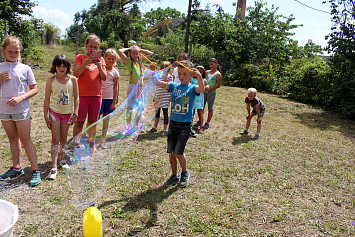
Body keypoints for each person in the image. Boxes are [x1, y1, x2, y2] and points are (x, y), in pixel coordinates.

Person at [0, 36, 41, 186]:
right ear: (3, 50)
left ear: (20, 51)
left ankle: (36, 170)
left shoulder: (25, 68)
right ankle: (16, 167)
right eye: (10, 51)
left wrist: (20, 98)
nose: (13, 54)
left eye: (16, 51)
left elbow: (35, 89)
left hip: (21, 110)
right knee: (12, 139)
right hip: (4, 110)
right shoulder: (0, 67)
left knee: (25, 139)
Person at [156, 60, 205, 188]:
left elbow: (202, 88)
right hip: (173, 124)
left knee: (179, 152)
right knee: (171, 153)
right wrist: (150, 75)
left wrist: (199, 76)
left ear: (190, 75)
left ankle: (184, 173)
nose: (182, 76)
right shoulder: (174, 86)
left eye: (185, 74)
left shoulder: (192, 88)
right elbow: (160, 83)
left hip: (185, 125)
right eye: (180, 74)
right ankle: (174, 175)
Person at [44, 55, 79, 180]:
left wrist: (75, 113)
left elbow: (76, 97)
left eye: (64, 66)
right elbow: (47, 98)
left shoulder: (73, 79)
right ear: (55, 67)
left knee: (64, 139)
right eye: (59, 65)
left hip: (67, 114)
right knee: (55, 139)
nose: (61, 68)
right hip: (54, 113)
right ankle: (53, 166)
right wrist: (45, 115)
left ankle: (62, 160)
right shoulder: (50, 80)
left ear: (68, 67)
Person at [73, 34, 107, 148]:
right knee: (79, 122)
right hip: (82, 95)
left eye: (95, 47)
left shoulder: (101, 59)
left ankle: (90, 145)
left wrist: (99, 66)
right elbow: (76, 73)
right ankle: (76, 145)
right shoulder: (80, 57)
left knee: (93, 121)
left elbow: (104, 77)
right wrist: (86, 62)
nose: (93, 49)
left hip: (96, 96)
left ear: (98, 47)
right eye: (90, 46)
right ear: (86, 46)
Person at [118, 45, 153, 128]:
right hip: (132, 86)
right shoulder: (128, 61)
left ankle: (136, 125)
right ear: (130, 53)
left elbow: (150, 53)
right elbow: (120, 51)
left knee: (140, 107)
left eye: (137, 53)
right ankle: (128, 125)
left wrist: (139, 49)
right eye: (133, 53)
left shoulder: (140, 61)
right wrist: (129, 49)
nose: (135, 55)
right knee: (130, 106)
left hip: (140, 87)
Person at [99, 48, 120, 148]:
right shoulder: (100, 69)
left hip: (109, 98)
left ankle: (103, 139)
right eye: (109, 58)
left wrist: (114, 101)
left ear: (115, 60)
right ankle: (91, 138)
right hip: (98, 98)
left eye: (113, 59)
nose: (111, 61)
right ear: (104, 58)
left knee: (106, 120)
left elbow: (116, 87)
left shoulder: (115, 72)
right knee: (95, 119)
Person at [149, 61, 172, 136]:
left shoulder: (170, 77)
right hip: (158, 96)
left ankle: (165, 129)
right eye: (163, 67)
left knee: (165, 112)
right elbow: (157, 84)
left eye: (166, 67)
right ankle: (154, 126)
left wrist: (171, 97)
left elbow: (169, 86)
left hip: (166, 96)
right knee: (157, 112)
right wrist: (155, 96)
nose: (164, 69)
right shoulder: (159, 76)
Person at [202, 58, 222, 129]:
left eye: (212, 64)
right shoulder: (207, 72)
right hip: (204, 92)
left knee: (210, 108)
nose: (211, 66)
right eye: (210, 65)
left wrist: (209, 88)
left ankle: (207, 122)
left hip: (211, 93)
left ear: (216, 63)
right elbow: (203, 80)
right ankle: (200, 121)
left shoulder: (218, 74)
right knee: (201, 107)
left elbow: (218, 85)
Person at [192, 66, 207, 134]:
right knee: (192, 112)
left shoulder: (204, 80)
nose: (198, 73)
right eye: (197, 71)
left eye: (200, 71)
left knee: (200, 113)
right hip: (193, 97)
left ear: (203, 73)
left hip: (200, 98)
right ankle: (189, 126)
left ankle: (201, 127)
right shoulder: (192, 79)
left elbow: (205, 89)